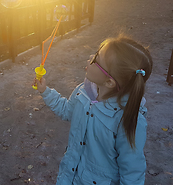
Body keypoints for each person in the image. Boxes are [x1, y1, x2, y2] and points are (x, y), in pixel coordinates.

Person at [33, 35, 153, 185]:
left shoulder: (128, 120)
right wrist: (45, 91)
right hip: (70, 177)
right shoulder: (83, 92)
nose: (90, 57)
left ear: (109, 82)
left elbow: (132, 173)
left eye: (96, 58)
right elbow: (66, 110)